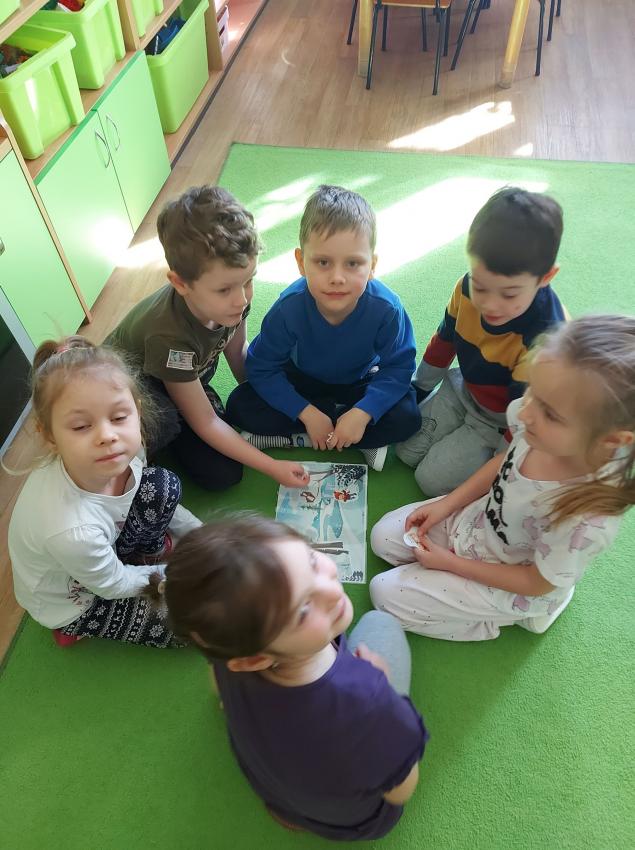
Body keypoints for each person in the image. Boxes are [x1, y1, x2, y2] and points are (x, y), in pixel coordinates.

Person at [150, 515, 428, 840]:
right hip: (355, 821)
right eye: (303, 611)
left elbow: (218, 688)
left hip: (278, 794)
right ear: (254, 660)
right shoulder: (370, 699)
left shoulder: (231, 651)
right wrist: (384, 686)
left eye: (311, 560)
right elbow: (400, 792)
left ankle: (289, 813)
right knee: (381, 623)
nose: (331, 589)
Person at [370, 315, 635, 641]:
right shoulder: (536, 423)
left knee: (384, 596)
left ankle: (515, 617)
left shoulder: (586, 519)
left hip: (513, 582)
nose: (525, 412)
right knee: (382, 538)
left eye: (551, 413)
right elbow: (504, 461)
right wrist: (446, 505)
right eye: (533, 391)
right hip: (477, 527)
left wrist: (450, 564)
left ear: (612, 440)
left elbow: (536, 582)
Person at [107, 185, 308, 492]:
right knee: (218, 471)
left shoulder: (234, 301)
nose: (242, 299)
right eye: (224, 290)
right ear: (180, 283)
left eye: (249, 281)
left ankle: (192, 406)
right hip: (136, 395)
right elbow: (206, 423)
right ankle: (147, 452)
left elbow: (238, 353)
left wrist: (270, 399)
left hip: (185, 380)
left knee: (247, 420)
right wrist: (272, 466)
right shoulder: (169, 338)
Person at [8, 337, 201, 648]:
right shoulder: (70, 529)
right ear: (50, 436)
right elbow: (112, 585)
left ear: (137, 412)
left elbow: (148, 492)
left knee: (161, 485)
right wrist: (187, 572)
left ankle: (142, 558)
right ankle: (73, 626)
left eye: (119, 417)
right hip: (77, 599)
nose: (108, 436)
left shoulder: (125, 450)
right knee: (198, 624)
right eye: (81, 426)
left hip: (101, 550)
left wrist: (201, 534)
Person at [225, 185, 421, 472]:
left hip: (359, 383)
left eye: (353, 263)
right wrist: (306, 413)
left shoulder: (386, 308)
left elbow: (400, 368)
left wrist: (363, 412)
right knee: (239, 405)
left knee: (408, 415)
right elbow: (262, 367)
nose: (337, 277)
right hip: (304, 383)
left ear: (372, 265)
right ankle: (340, 434)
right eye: (323, 262)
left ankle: (308, 435)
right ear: (301, 262)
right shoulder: (288, 308)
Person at [397, 186, 566, 496]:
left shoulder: (544, 341)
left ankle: (475, 445)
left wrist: (501, 466)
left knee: (429, 480)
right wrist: (417, 390)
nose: (490, 305)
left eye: (509, 294)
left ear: (545, 278)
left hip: (500, 420)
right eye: (481, 286)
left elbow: (522, 419)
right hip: (462, 388)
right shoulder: (465, 288)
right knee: (404, 451)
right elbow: (444, 341)